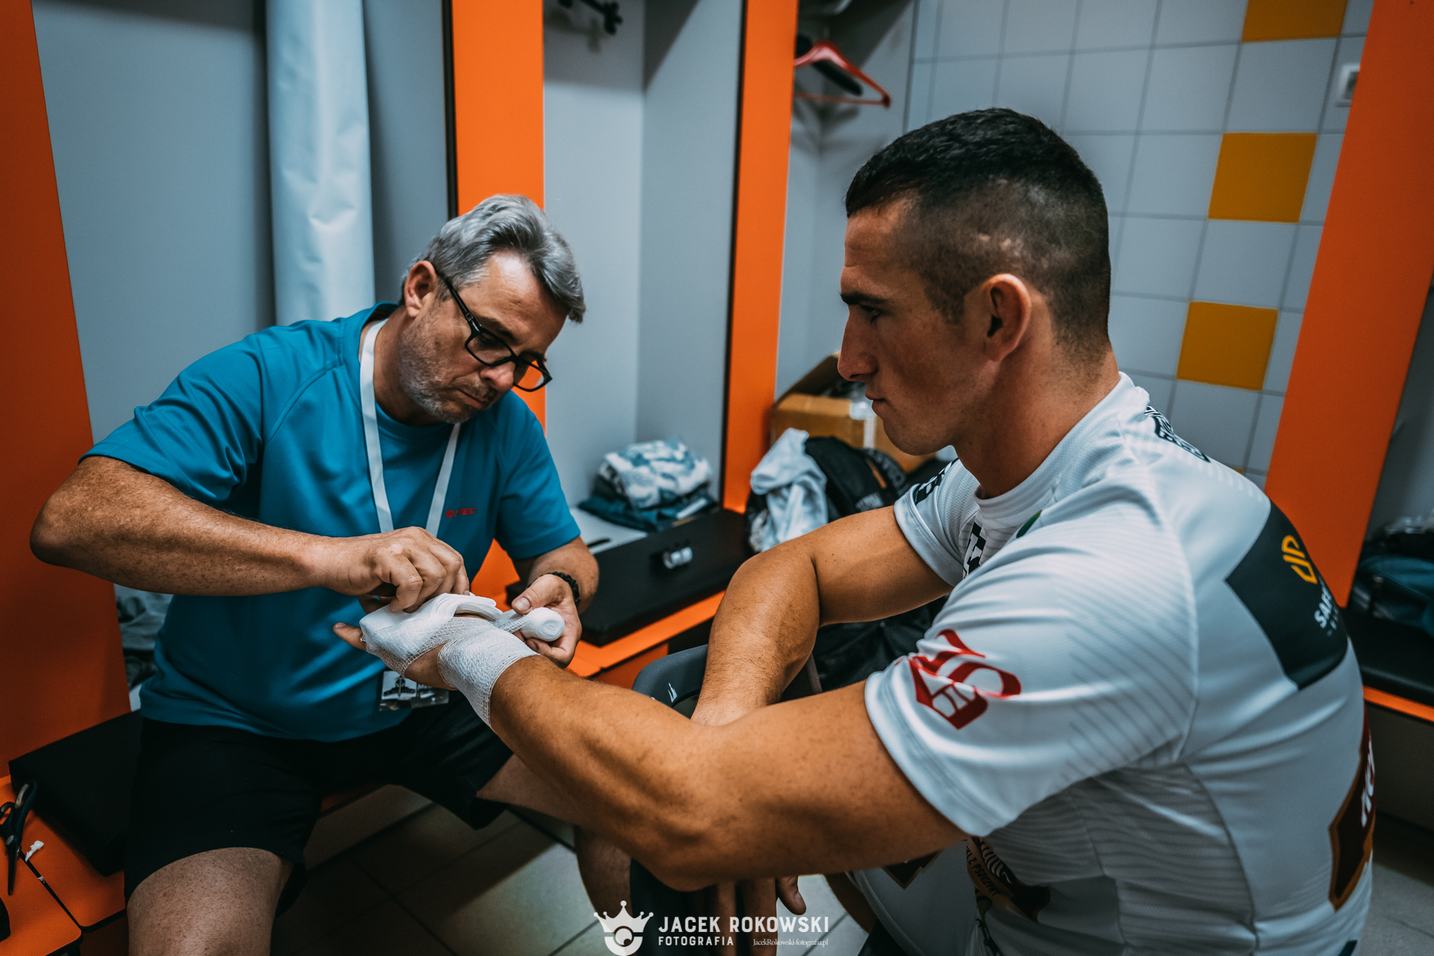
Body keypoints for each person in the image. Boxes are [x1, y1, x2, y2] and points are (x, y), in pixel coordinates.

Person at [342, 111, 1374, 954]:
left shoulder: (1114, 576)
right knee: (687, 716)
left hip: (1092, 930)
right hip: (1049, 884)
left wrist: (464, 647)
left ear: (998, 319)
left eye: (872, 312)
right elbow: (797, 566)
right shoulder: (1044, 471)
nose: (846, 357)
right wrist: (727, 735)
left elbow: (692, 817)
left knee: (683, 815)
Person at [31, 195, 602, 953]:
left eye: (525, 362)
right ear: (422, 288)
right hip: (240, 721)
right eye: (489, 339)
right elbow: (73, 520)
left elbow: (565, 554)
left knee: (632, 806)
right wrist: (327, 556)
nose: (500, 377)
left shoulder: (503, 423)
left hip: (426, 696)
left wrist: (563, 587)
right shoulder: (271, 374)